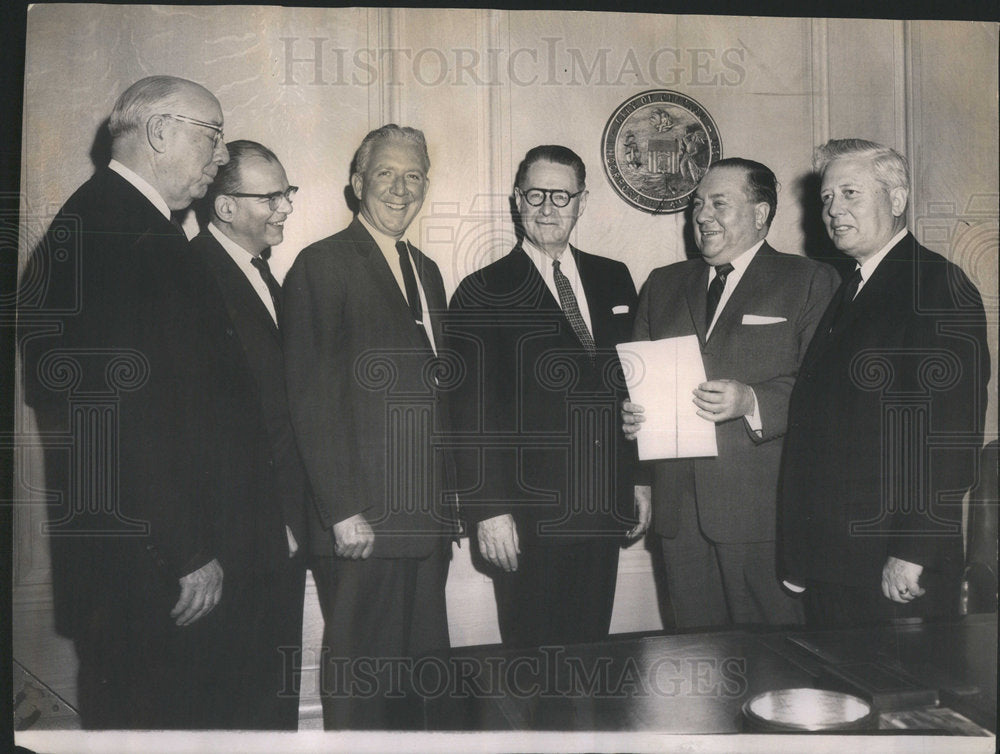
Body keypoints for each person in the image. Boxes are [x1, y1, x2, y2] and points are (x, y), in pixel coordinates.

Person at [17, 76, 261, 728]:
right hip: (154, 574)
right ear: (159, 132)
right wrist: (185, 550)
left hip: (143, 569)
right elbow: (111, 418)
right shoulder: (113, 234)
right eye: (212, 136)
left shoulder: (115, 221)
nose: (219, 157)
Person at [282, 124, 454, 729]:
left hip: (424, 520)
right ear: (357, 183)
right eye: (386, 174)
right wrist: (341, 509)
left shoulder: (426, 269)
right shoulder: (321, 264)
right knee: (362, 682)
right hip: (363, 522)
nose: (401, 189)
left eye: (414, 176)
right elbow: (308, 399)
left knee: (419, 681)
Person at [779, 139, 990, 627]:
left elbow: (950, 436)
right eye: (827, 198)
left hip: (893, 566)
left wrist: (912, 551)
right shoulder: (850, 286)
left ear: (897, 200)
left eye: (850, 193)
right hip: (837, 561)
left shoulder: (938, 286)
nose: (833, 210)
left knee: (896, 700)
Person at [623, 158, 839, 630]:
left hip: (763, 514)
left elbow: (824, 389)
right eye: (697, 204)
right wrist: (633, 419)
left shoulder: (809, 281)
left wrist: (752, 401)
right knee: (696, 658)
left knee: (772, 660)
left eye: (719, 203)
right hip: (678, 513)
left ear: (761, 214)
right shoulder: (662, 284)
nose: (701, 215)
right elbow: (637, 384)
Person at [448, 145, 649, 649]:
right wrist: (488, 510)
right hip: (527, 518)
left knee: (590, 656)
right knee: (533, 669)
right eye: (536, 194)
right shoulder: (481, 291)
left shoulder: (614, 277)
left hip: (603, 508)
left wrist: (641, 480)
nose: (548, 208)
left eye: (562, 196)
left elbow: (634, 386)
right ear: (517, 200)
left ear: (583, 202)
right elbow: (467, 413)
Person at [188, 140, 309, 729]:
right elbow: (209, 432)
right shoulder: (195, 278)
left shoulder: (262, 273)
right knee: (238, 704)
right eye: (271, 196)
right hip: (239, 539)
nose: (285, 207)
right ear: (225, 206)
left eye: (287, 192)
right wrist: (274, 522)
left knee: (271, 697)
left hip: (277, 533)